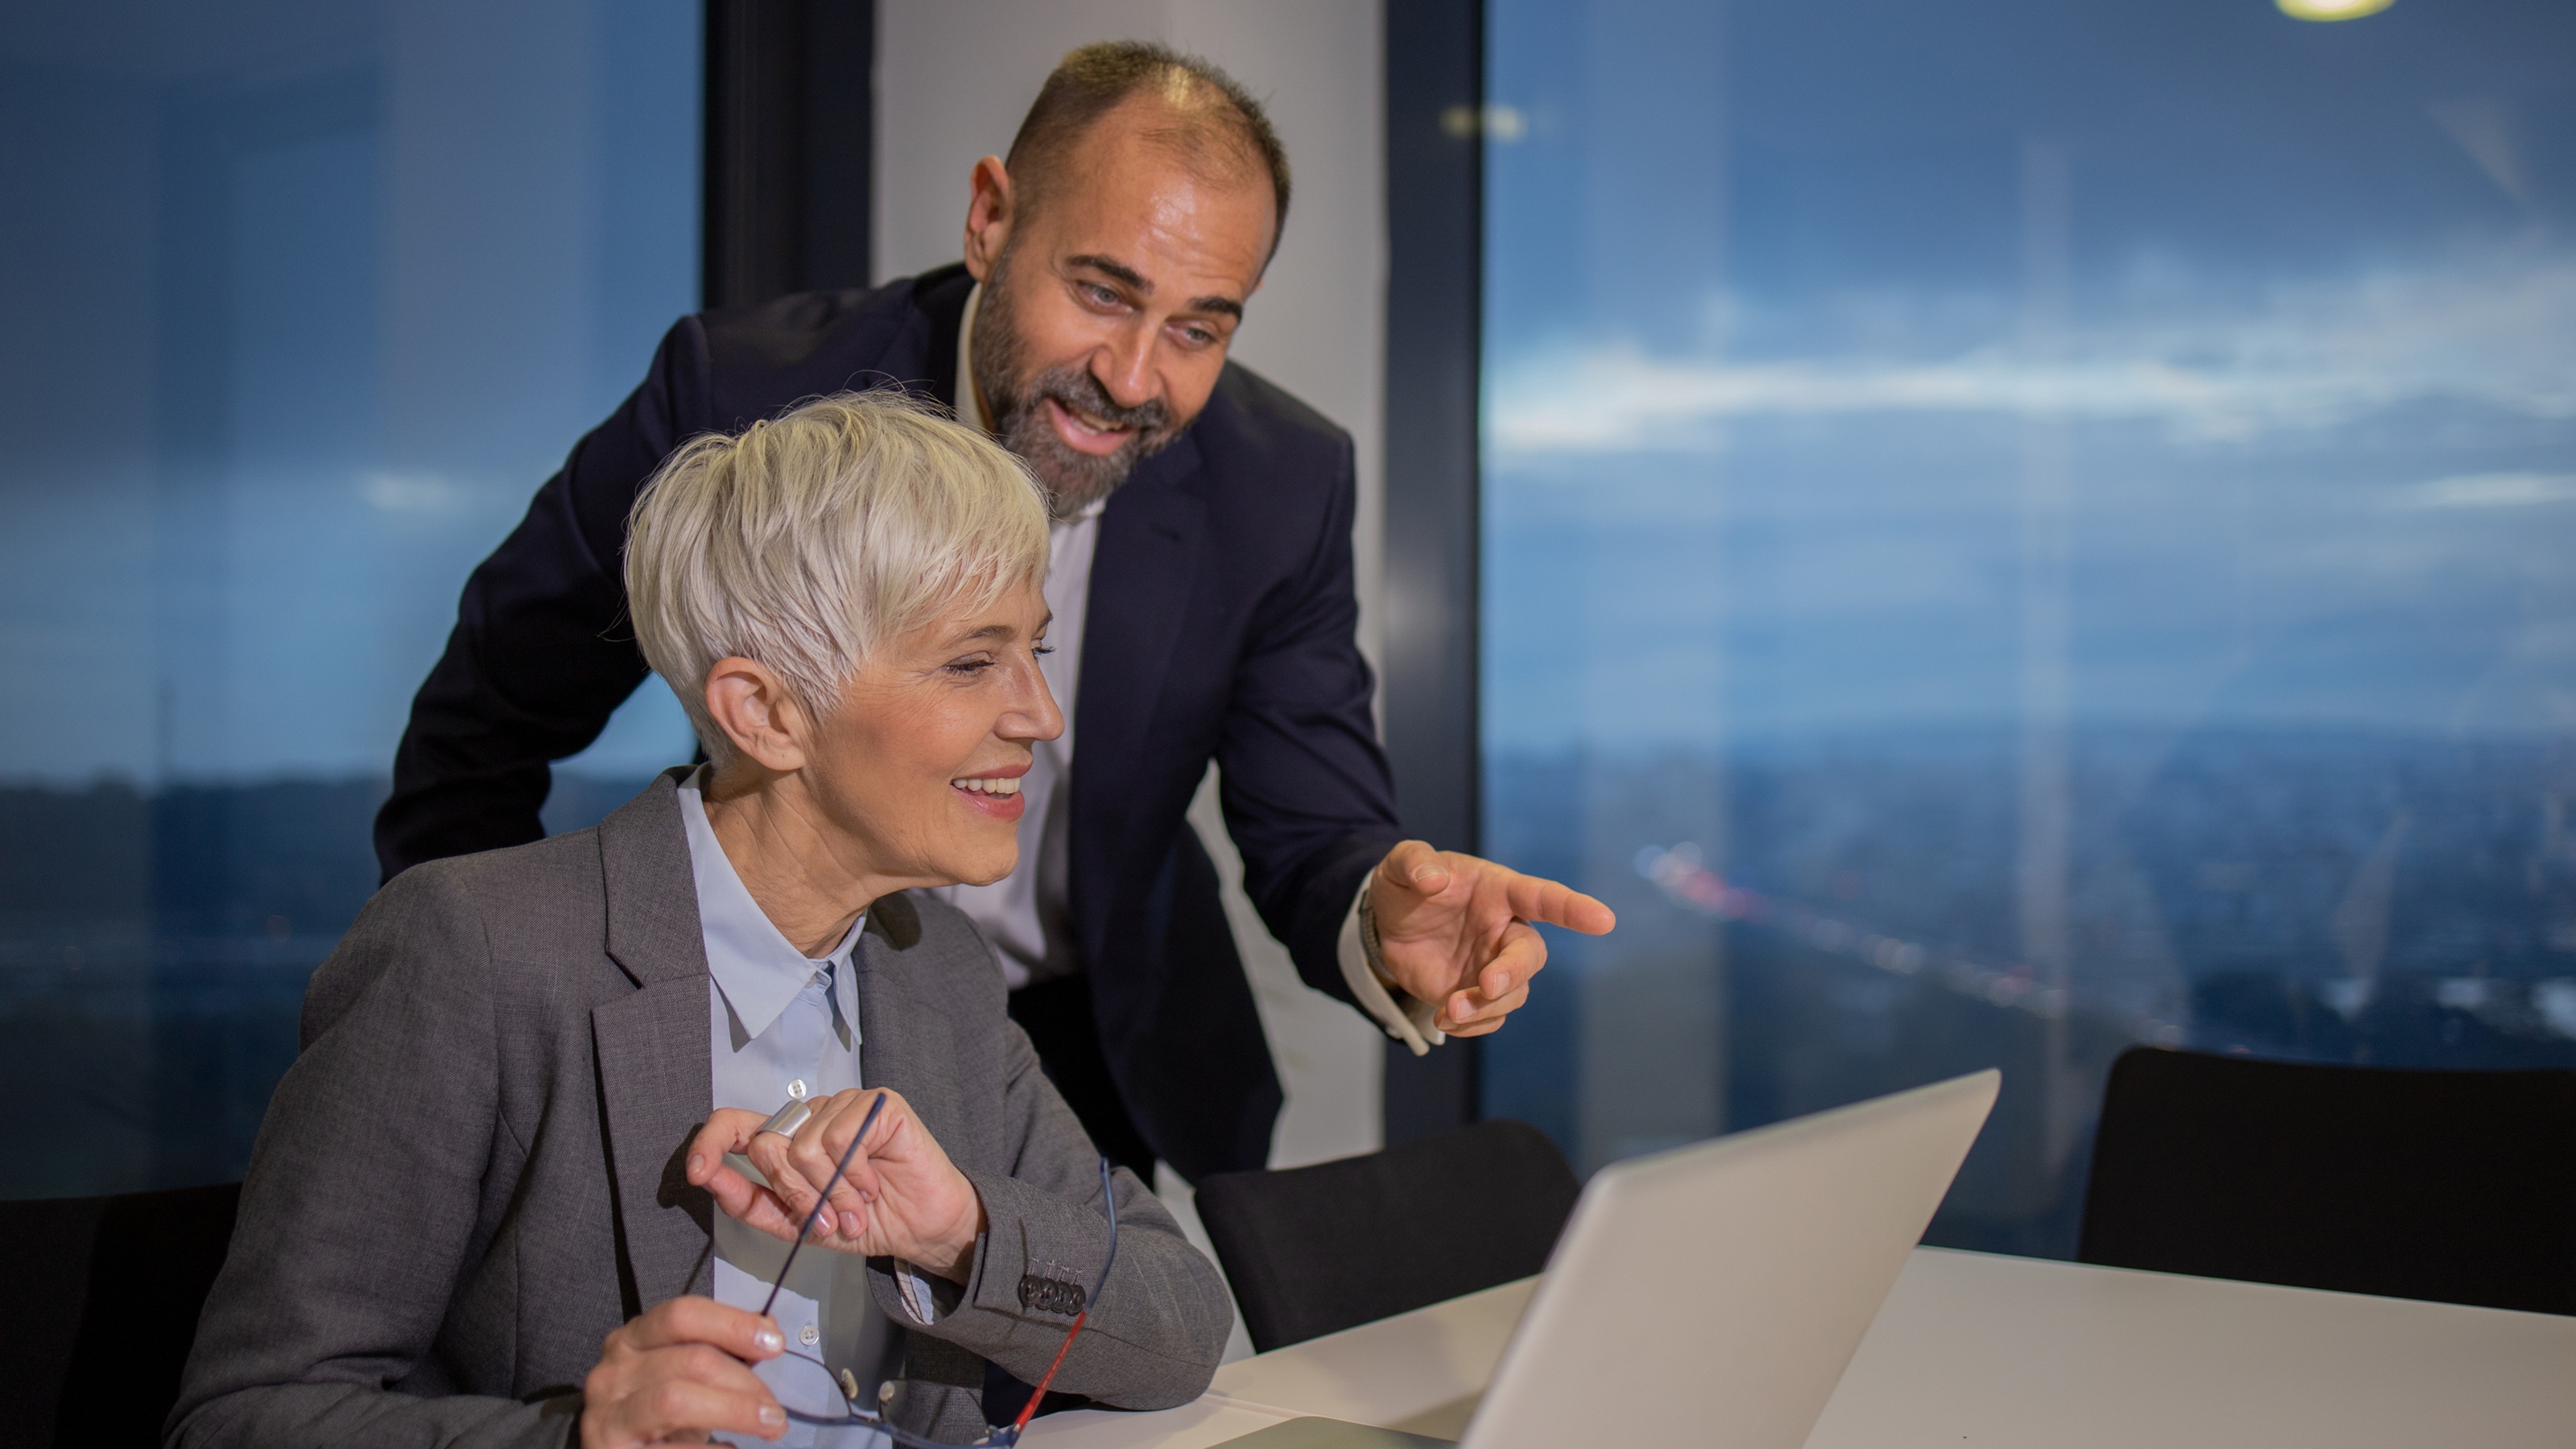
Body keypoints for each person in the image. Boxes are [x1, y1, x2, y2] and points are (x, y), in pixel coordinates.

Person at [376, 41, 1613, 1183]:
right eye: (1103, 291)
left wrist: (1378, 911)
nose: (1134, 377)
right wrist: (497, 1021)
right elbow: (487, 719)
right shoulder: (742, 396)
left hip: (1096, 1053)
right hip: (766, 1019)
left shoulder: (1279, 480)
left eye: (1198, 328)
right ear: (990, 221)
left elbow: (1315, 828)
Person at [169, 393, 1232, 1449]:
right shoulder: (474, 953)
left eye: (1033, 652)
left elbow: (1181, 1324)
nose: (1039, 716)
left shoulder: (937, 966)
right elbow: (238, 1419)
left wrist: (962, 1232)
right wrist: (574, 1441)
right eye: (970, 661)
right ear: (764, 713)